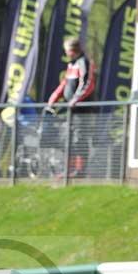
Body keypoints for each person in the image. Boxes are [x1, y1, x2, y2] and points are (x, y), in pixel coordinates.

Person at [46, 37, 96, 178]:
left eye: (67, 50)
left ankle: (80, 170)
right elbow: (65, 84)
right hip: (71, 111)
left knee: (80, 138)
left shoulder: (84, 62)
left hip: (82, 110)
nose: (66, 53)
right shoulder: (71, 65)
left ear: (73, 50)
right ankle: (69, 169)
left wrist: (75, 100)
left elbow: (88, 84)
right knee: (68, 138)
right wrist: (54, 98)